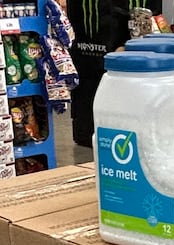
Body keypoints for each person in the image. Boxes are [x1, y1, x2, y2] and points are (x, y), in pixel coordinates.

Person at [66, 0, 162, 147]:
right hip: (88, 51)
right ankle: (91, 132)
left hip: (127, 50)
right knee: (90, 97)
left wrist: (130, 44)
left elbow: (153, 16)